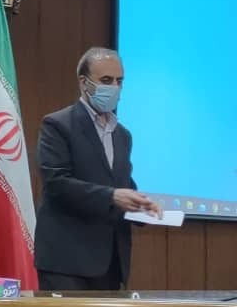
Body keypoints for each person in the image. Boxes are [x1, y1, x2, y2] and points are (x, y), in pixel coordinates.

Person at [34, 47, 161, 291]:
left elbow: (123, 185)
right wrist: (112, 196)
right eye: (106, 80)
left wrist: (143, 205)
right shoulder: (57, 125)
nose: (114, 87)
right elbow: (56, 183)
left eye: (119, 81)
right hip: (67, 262)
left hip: (111, 262)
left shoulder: (122, 135)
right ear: (84, 83)